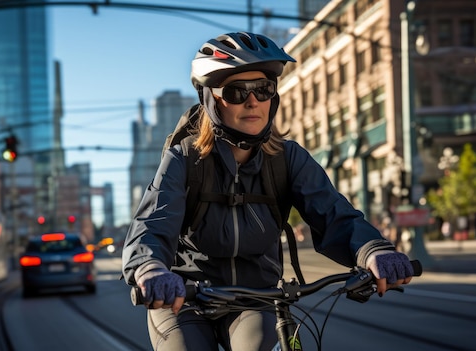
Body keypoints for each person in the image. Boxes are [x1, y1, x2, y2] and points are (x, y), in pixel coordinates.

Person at [121, 32, 415, 351]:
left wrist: (373, 249)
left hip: (256, 299)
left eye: (262, 89)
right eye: (236, 91)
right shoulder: (184, 160)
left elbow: (336, 217)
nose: (253, 101)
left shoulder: (288, 159)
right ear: (210, 100)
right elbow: (151, 227)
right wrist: (150, 270)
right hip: (183, 300)